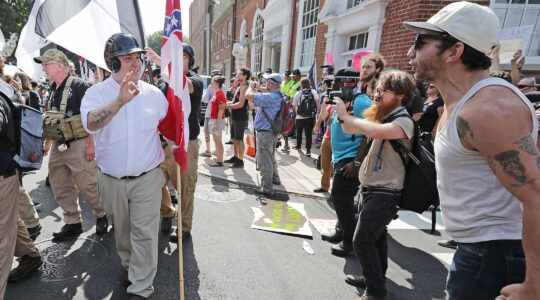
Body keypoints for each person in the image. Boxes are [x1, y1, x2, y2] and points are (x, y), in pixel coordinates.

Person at [404, 2, 540, 299]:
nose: (410, 53)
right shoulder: (464, 101)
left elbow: (537, 196)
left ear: (454, 52)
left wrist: (534, 286)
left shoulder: (488, 109)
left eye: (421, 43)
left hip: (494, 253)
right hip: (482, 251)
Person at [80, 33, 169, 299]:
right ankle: (131, 267)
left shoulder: (154, 94)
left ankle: (141, 288)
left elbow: (168, 128)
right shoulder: (96, 93)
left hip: (147, 179)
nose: (136, 63)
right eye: (127, 58)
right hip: (111, 179)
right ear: (112, 61)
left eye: (138, 58)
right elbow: (90, 124)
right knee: (123, 232)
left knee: (144, 232)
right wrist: (119, 102)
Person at [336, 70, 416, 300]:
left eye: (383, 90)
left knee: (361, 240)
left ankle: (376, 292)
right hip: (371, 190)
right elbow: (351, 129)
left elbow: (371, 130)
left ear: (400, 95)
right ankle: (373, 279)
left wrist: (348, 116)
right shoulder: (385, 117)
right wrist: (343, 116)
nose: (377, 94)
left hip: (387, 192)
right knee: (376, 238)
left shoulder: (403, 121)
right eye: (377, 89)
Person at [34, 49, 108, 241]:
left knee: (88, 184)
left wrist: (92, 144)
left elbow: (93, 116)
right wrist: (48, 145)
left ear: (59, 65)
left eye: (46, 64)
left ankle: (102, 216)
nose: (43, 67)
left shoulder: (80, 85)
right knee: (60, 185)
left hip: (79, 143)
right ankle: (72, 223)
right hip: (59, 144)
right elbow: (52, 119)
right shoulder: (53, 88)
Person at [145, 44, 204, 243]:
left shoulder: (195, 80)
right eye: (175, 57)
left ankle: (184, 227)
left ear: (190, 61)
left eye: (183, 57)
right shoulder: (162, 83)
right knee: (153, 184)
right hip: (161, 145)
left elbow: (183, 84)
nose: (179, 60)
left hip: (185, 145)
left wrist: (164, 62)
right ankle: (167, 211)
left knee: (185, 189)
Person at [0, 77, 43, 298]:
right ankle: (30, 255)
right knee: (8, 222)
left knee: (1, 241)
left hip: (3, 175)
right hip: (5, 174)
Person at [324, 66, 373, 253]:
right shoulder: (344, 99)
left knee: (341, 198)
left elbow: (370, 134)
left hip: (352, 159)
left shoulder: (361, 102)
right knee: (340, 199)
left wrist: (357, 162)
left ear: (348, 83)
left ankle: (349, 241)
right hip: (341, 157)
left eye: (337, 81)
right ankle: (341, 231)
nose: (333, 85)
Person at [245, 73, 283, 197]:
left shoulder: (270, 97)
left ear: (271, 84)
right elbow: (266, 91)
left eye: (267, 82)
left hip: (265, 133)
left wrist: (251, 87)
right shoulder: (279, 95)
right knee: (271, 157)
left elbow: (248, 96)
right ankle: (275, 178)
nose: (265, 84)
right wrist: (260, 87)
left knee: (264, 160)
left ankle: (267, 188)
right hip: (272, 132)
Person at [225, 68, 250, 168]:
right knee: (235, 138)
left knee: (239, 139)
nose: (237, 75)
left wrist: (228, 106)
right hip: (235, 116)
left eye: (240, 74)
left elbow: (240, 104)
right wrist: (226, 103)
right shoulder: (240, 87)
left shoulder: (244, 87)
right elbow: (235, 101)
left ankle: (240, 160)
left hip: (240, 117)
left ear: (245, 76)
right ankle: (235, 157)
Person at [201, 70, 227, 157]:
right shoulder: (224, 87)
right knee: (218, 136)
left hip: (211, 113)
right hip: (216, 114)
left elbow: (204, 99)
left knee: (207, 132)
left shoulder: (211, 87)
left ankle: (208, 150)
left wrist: (211, 100)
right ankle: (217, 151)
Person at [292, 77, 319, 157]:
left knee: (299, 132)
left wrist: (298, 113)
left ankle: (298, 146)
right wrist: (315, 112)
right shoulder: (313, 91)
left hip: (300, 117)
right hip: (310, 117)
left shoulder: (298, 93)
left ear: (301, 84)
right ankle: (308, 150)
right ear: (309, 83)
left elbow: (294, 105)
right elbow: (317, 101)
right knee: (308, 134)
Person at [208, 76, 227, 167]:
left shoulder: (221, 94)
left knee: (218, 141)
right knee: (216, 141)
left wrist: (217, 124)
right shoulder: (217, 93)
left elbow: (221, 111)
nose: (211, 84)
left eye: (212, 82)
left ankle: (220, 161)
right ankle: (219, 158)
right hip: (214, 119)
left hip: (217, 120)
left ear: (217, 84)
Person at [225, 77, 238, 145]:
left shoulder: (239, 90)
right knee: (231, 125)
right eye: (235, 82)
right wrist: (232, 102)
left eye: (237, 82)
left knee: (236, 125)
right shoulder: (228, 91)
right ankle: (232, 139)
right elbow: (226, 100)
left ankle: (237, 139)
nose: (237, 84)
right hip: (231, 111)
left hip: (238, 110)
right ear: (231, 83)